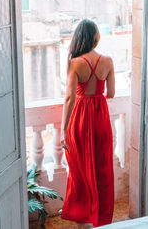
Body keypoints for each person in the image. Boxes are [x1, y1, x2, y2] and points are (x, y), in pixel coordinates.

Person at [60, 19, 115, 227]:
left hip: (80, 119)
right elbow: (111, 93)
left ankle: (82, 212)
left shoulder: (74, 63)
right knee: (102, 167)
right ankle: (101, 215)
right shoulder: (108, 60)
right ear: (95, 37)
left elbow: (69, 99)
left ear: (78, 38)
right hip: (100, 117)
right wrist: (96, 97)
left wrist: (64, 129)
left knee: (79, 167)